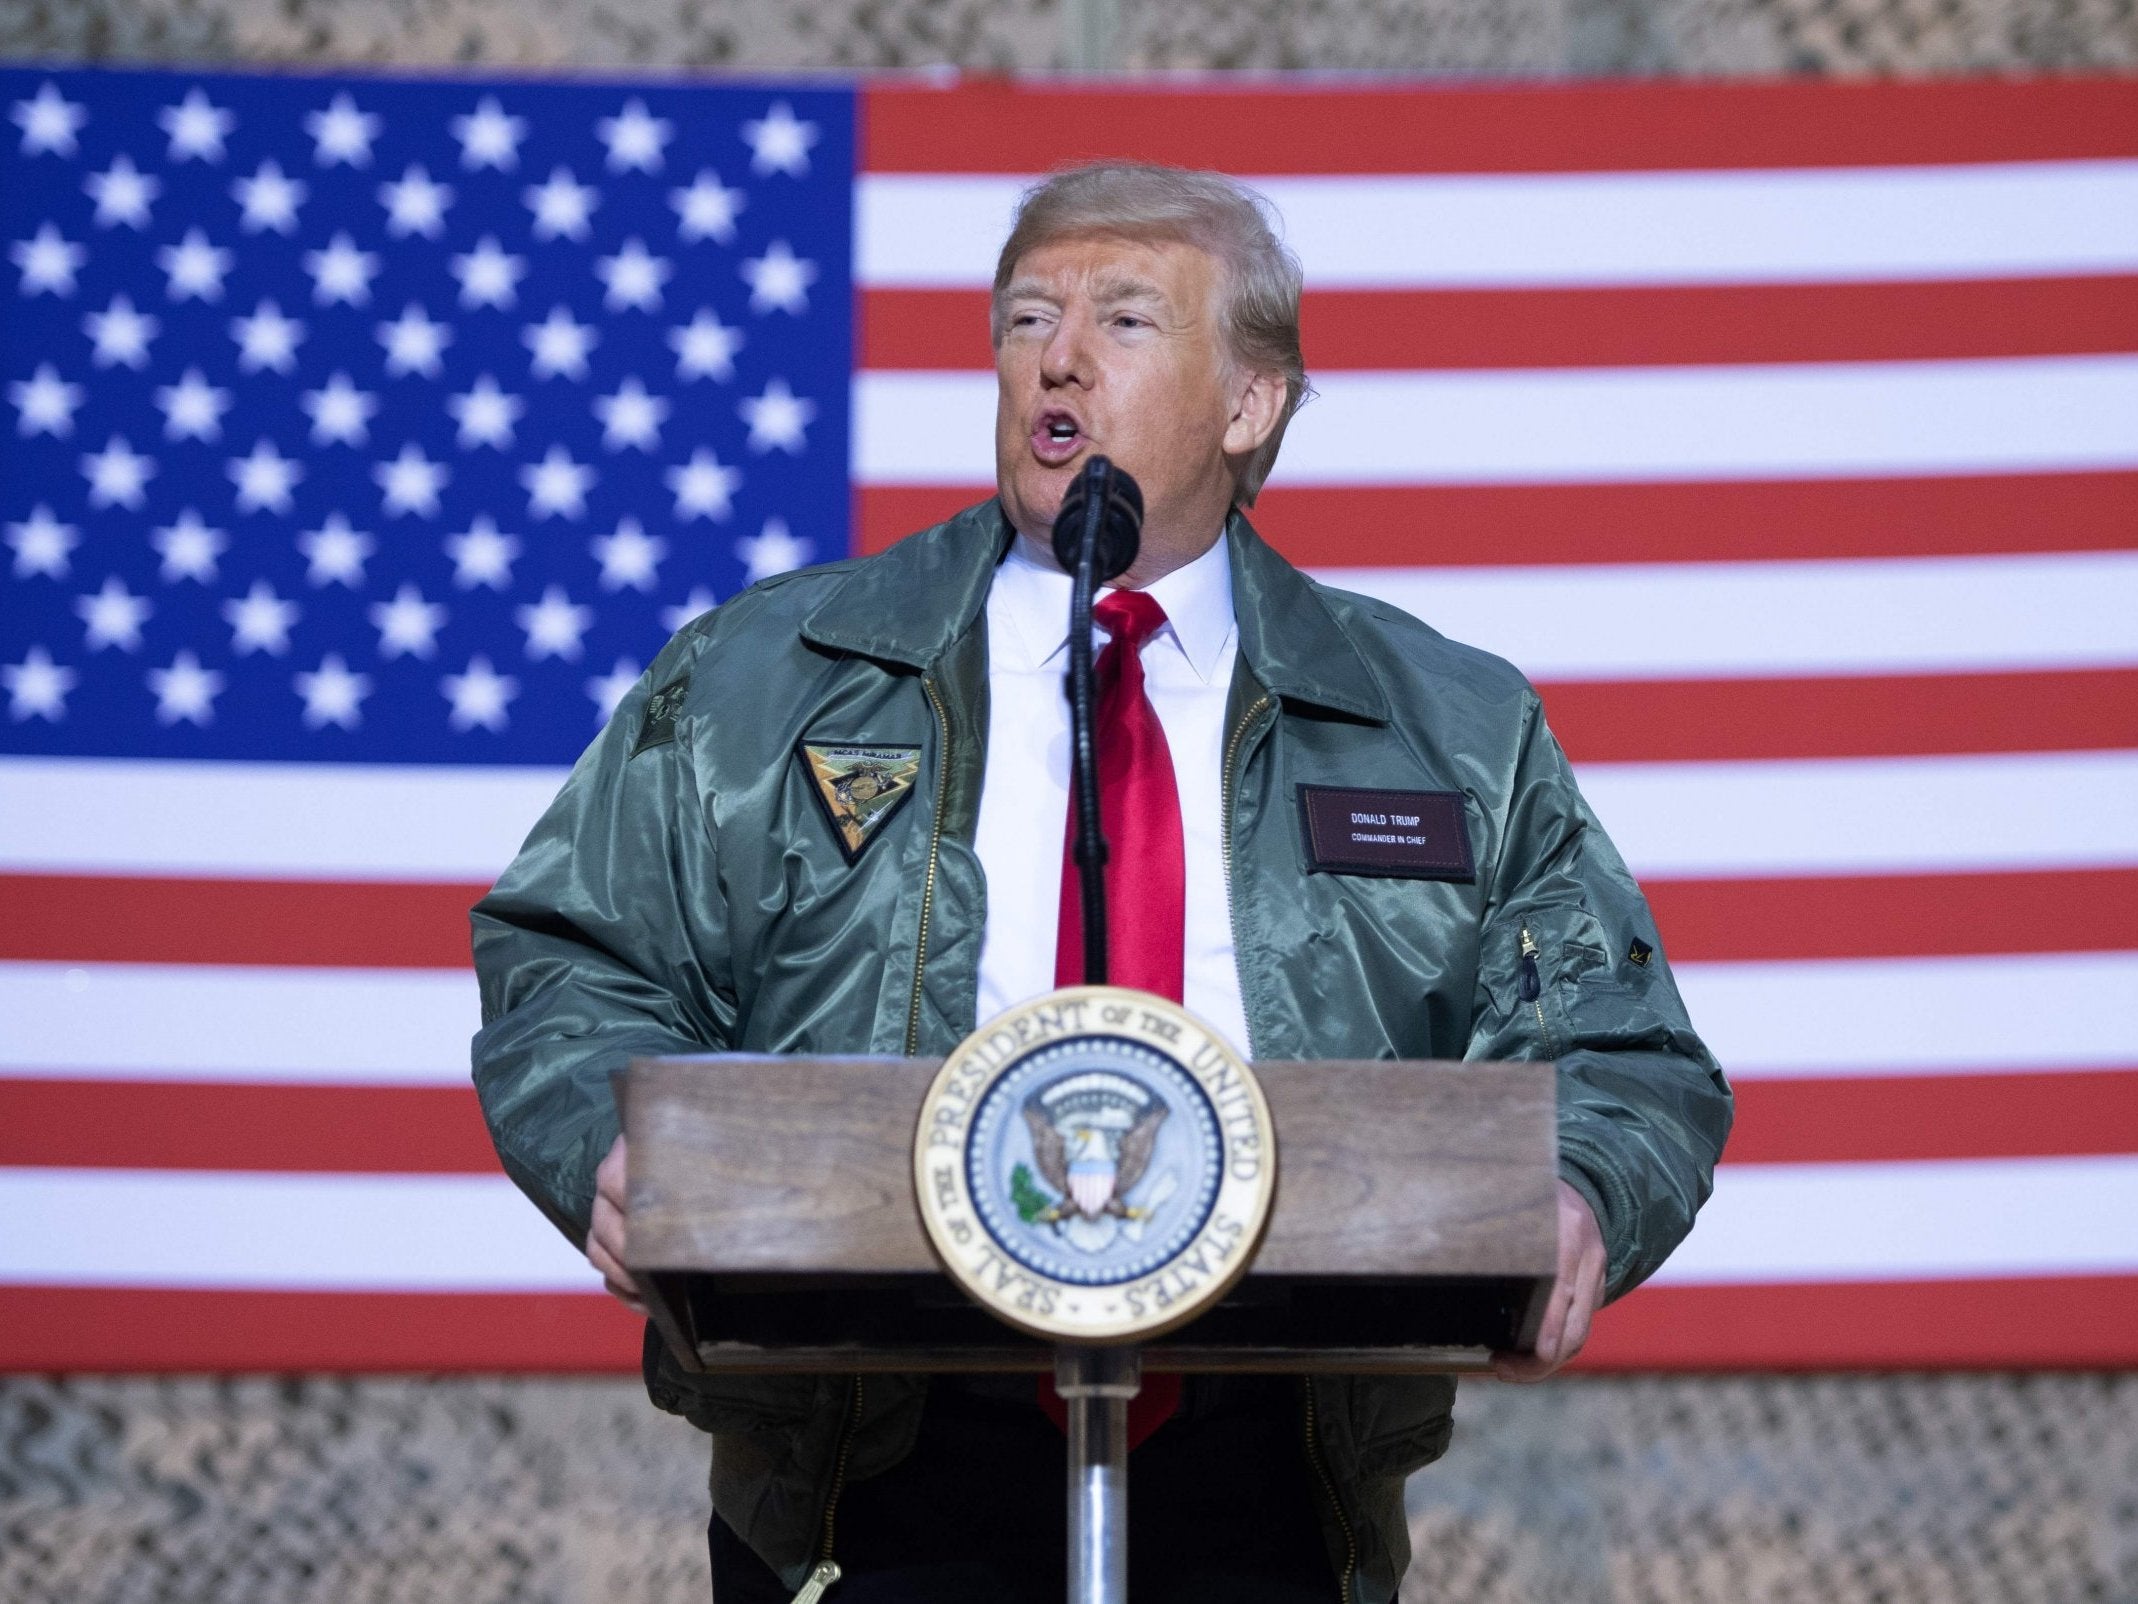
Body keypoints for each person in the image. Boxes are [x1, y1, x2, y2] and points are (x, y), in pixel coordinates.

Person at [471, 162, 1731, 1604]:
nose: (1056, 358)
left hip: (1272, 1477)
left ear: (1250, 402)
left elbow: (1624, 1057)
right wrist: (607, 1145)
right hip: (867, 1476)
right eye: (1025, 319)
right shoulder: (762, 681)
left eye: (1124, 320)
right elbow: (573, 958)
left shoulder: (1443, 723)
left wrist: (1574, 1197)